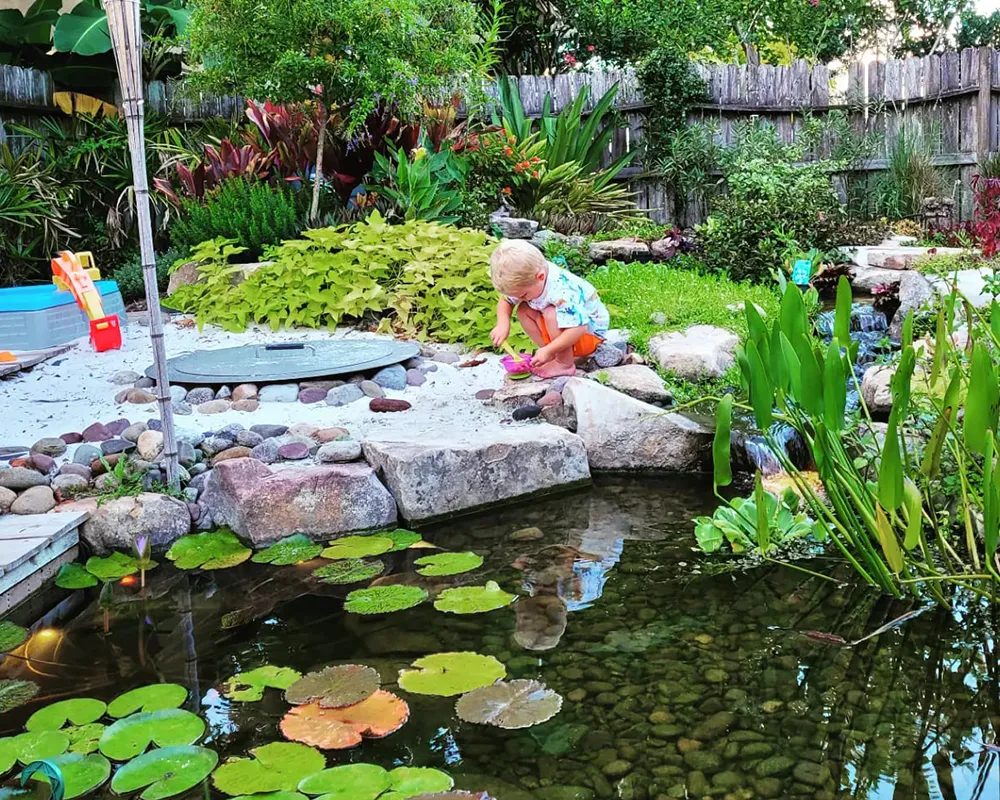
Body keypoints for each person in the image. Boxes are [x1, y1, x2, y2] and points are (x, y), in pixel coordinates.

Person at [489, 239, 610, 378]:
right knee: (523, 310)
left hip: (588, 334)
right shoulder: (531, 279)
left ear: (540, 277)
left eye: (523, 295)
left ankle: (564, 363)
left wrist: (549, 349)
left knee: (550, 312)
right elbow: (506, 301)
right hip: (569, 332)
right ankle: (553, 355)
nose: (520, 299)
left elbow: (579, 328)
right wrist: (503, 324)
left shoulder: (561, 291)